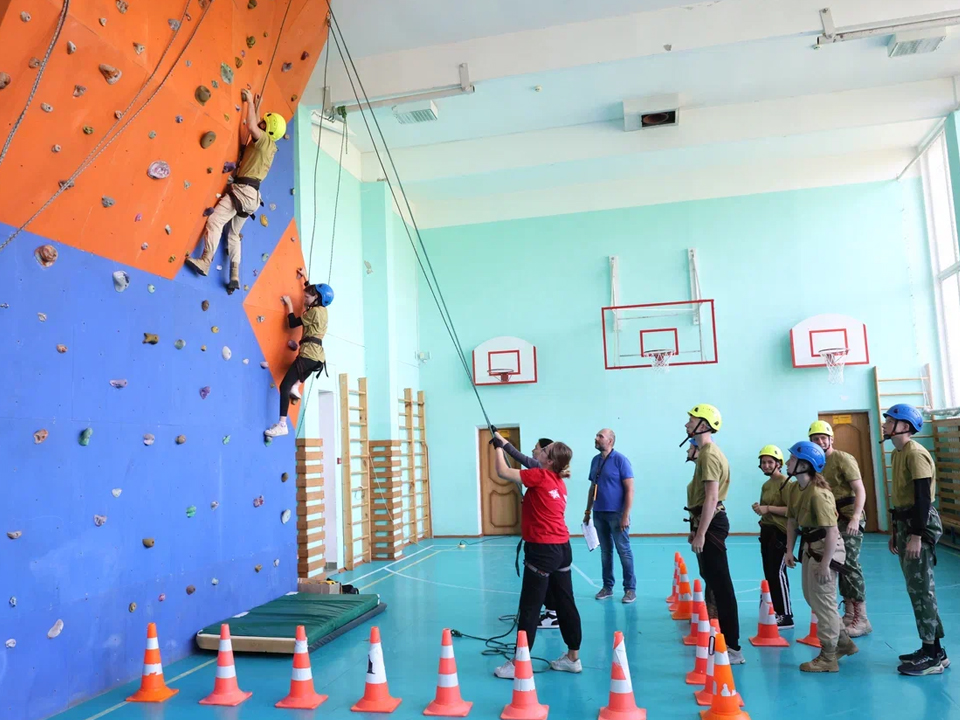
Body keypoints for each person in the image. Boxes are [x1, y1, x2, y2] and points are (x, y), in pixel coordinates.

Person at [492, 441, 582, 679]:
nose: (538, 451)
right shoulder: (558, 482)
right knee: (566, 602)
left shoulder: (540, 476)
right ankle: (573, 658)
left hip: (542, 550)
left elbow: (502, 472)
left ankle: (519, 663)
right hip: (562, 548)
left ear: (549, 460)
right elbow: (524, 460)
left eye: (543, 450)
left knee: (530, 607)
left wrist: (498, 449)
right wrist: (504, 443)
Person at [185, 89, 286, 294]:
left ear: (268, 129)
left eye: (264, 122)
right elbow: (256, 126)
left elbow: (251, 126)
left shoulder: (264, 141)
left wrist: (249, 101)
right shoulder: (269, 146)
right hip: (253, 197)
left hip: (243, 191)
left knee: (215, 221)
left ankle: (205, 261)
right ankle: (234, 275)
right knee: (234, 234)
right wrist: (257, 107)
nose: (261, 122)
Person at [883, 403, 948, 675]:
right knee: (917, 589)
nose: (885, 424)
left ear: (905, 426)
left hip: (919, 525)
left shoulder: (915, 453)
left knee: (922, 590)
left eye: (890, 420)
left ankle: (932, 656)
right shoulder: (898, 454)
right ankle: (933, 648)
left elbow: (923, 498)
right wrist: (896, 530)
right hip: (907, 524)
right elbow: (900, 497)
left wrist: (916, 536)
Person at [784, 441, 858, 672]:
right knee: (812, 597)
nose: (788, 462)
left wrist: (826, 564)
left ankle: (828, 657)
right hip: (811, 547)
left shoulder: (819, 494)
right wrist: (789, 549)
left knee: (824, 603)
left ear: (804, 465)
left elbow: (832, 531)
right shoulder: (797, 489)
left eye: (792, 459)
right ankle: (844, 643)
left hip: (826, 549)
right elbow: (792, 521)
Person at [683, 404, 743, 664]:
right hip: (706, 522)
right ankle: (722, 638)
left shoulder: (709, 455)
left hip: (713, 524)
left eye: (692, 421)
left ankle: (733, 647)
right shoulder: (705, 454)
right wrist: (696, 528)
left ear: (704, 425)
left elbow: (711, 498)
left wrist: (702, 534)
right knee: (712, 579)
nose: (687, 425)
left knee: (721, 584)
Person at [808, 420, 871, 637]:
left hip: (850, 517)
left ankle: (861, 618)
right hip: (833, 519)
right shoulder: (815, 463)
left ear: (831, 439)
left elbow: (859, 489)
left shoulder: (843, 458)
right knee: (839, 563)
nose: (820, 441)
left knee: (851, 563)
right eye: (815, 439)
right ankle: (849, 613)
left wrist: (855, 517)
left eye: (823, 438)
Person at [494, 431, 561, 630]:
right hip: (548, 539)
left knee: (542, 582)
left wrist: (498, 447)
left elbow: (505, 470)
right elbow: (516, 454)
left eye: (537, 447)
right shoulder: (542, 468)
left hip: (544, 540)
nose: (533, 450)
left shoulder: (540, 472)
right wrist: (499, 437)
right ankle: (551, 613)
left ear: (546, 455)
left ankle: (551, 615)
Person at [264, 280, 333, 437]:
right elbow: (314, 296)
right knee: (294, 383)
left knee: (284, 385)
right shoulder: (323, 311)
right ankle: (297, 386)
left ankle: (282, 424)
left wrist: (288, 304)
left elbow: (293, 322)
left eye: (308, 296)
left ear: (317, 298)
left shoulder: (313, 312)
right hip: (318, 358)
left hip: (308, 355)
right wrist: (305, 281)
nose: (304, 299)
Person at [583, 429, 636, 603]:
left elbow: (630, 489)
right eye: (596, 435)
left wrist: (625, 515)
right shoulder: (595, 461)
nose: (596, 438)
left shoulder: (621, 460)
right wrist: (588, 511)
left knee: (624, 551)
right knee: (606, 552)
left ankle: (630, 589)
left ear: (611, 441)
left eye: (600, 436)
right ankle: (607, 587)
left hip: (617, 514)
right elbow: (593, 488)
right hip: (599, 513)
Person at [751, 445, 795, 628]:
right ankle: (776, 611)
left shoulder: (786, 483)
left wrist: (768, 509)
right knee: (769, 572)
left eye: (770, 462)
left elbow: (791, 510)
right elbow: (765, 508)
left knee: (778, 573)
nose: (767, 465)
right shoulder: (766, 485)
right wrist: (760, 511)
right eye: (764, 462)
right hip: (767, 531)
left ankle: (786, 614)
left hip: (781, 533)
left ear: (779, 463)